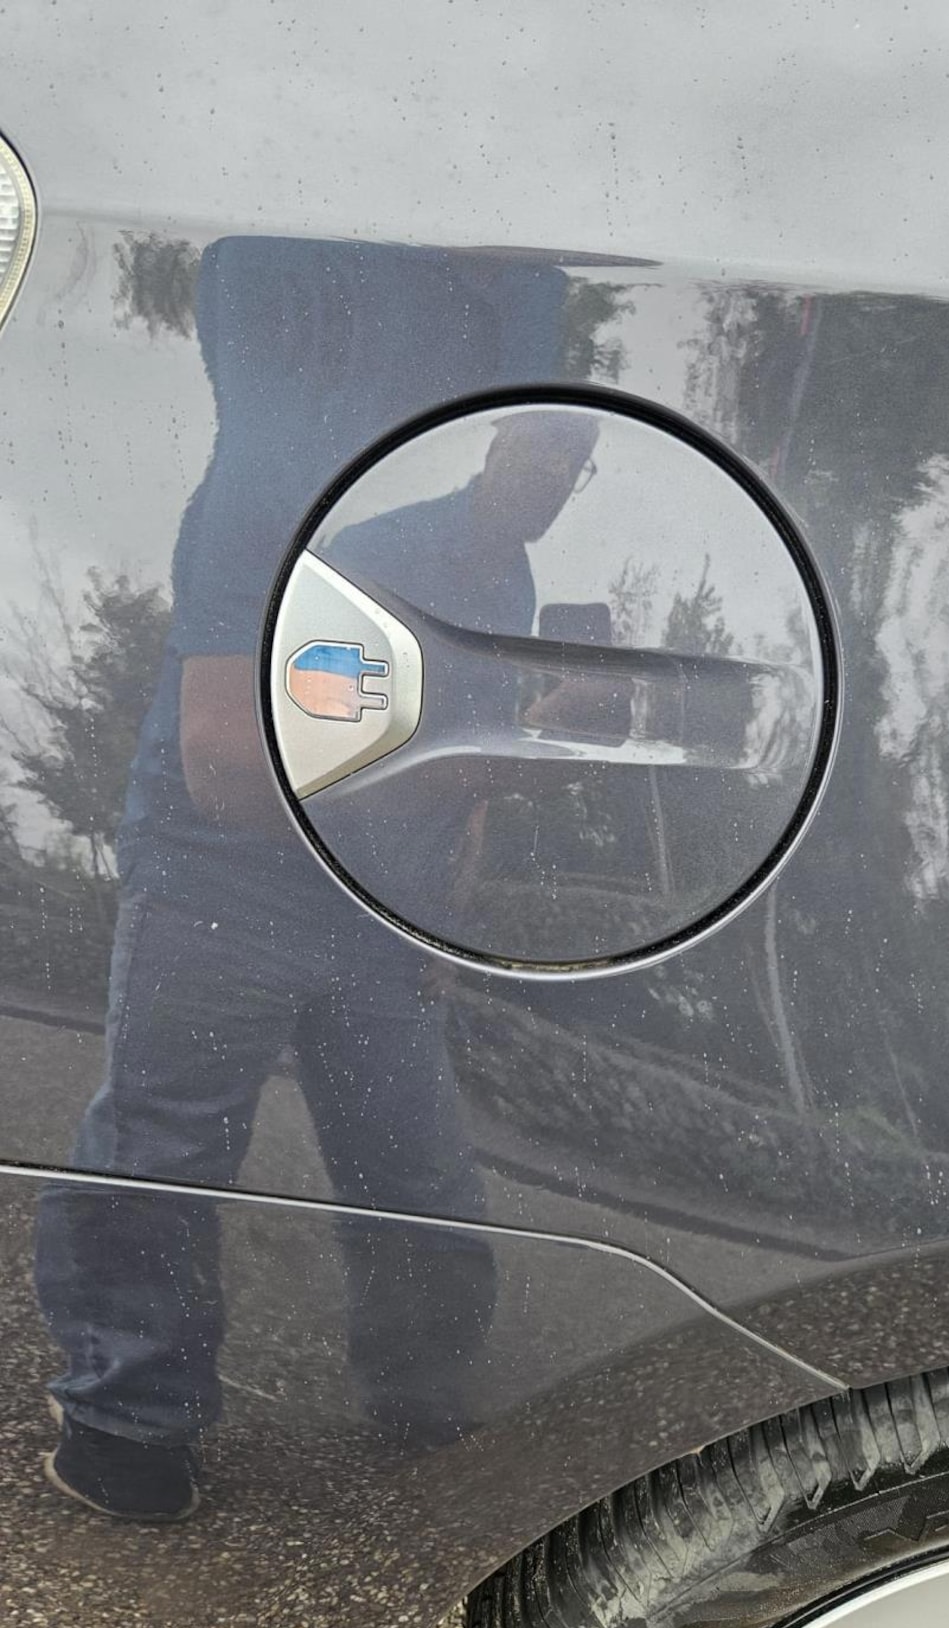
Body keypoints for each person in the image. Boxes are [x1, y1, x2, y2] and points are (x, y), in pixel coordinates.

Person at [33, 236, 594, 1521]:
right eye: (542, 448)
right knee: (167, 1143)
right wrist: (489, 771)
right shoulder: (290, 486)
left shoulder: (497, 564)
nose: (555, 477)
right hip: (223, 876)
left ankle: (420, 1407)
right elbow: (229, 764)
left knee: (417, 1171)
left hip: (374, 898)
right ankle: (128, 1422)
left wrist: (442, 901)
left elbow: (459, 744)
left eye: (574, 459)